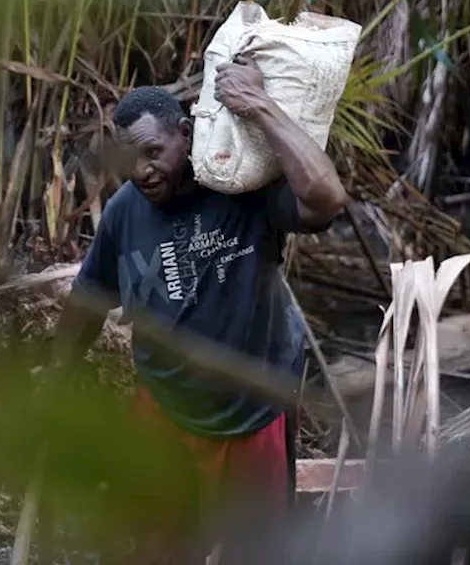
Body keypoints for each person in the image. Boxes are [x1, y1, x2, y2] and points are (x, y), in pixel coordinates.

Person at [50, 55, 347, 564]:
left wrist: (259, 104)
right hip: (164, 409)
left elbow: (327, 197)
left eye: (152, 152)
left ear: (184, 135)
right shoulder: (125, 211)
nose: (142, 171)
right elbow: (88, 300)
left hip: (252, 410)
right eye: (130, 159)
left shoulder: (242, 190)